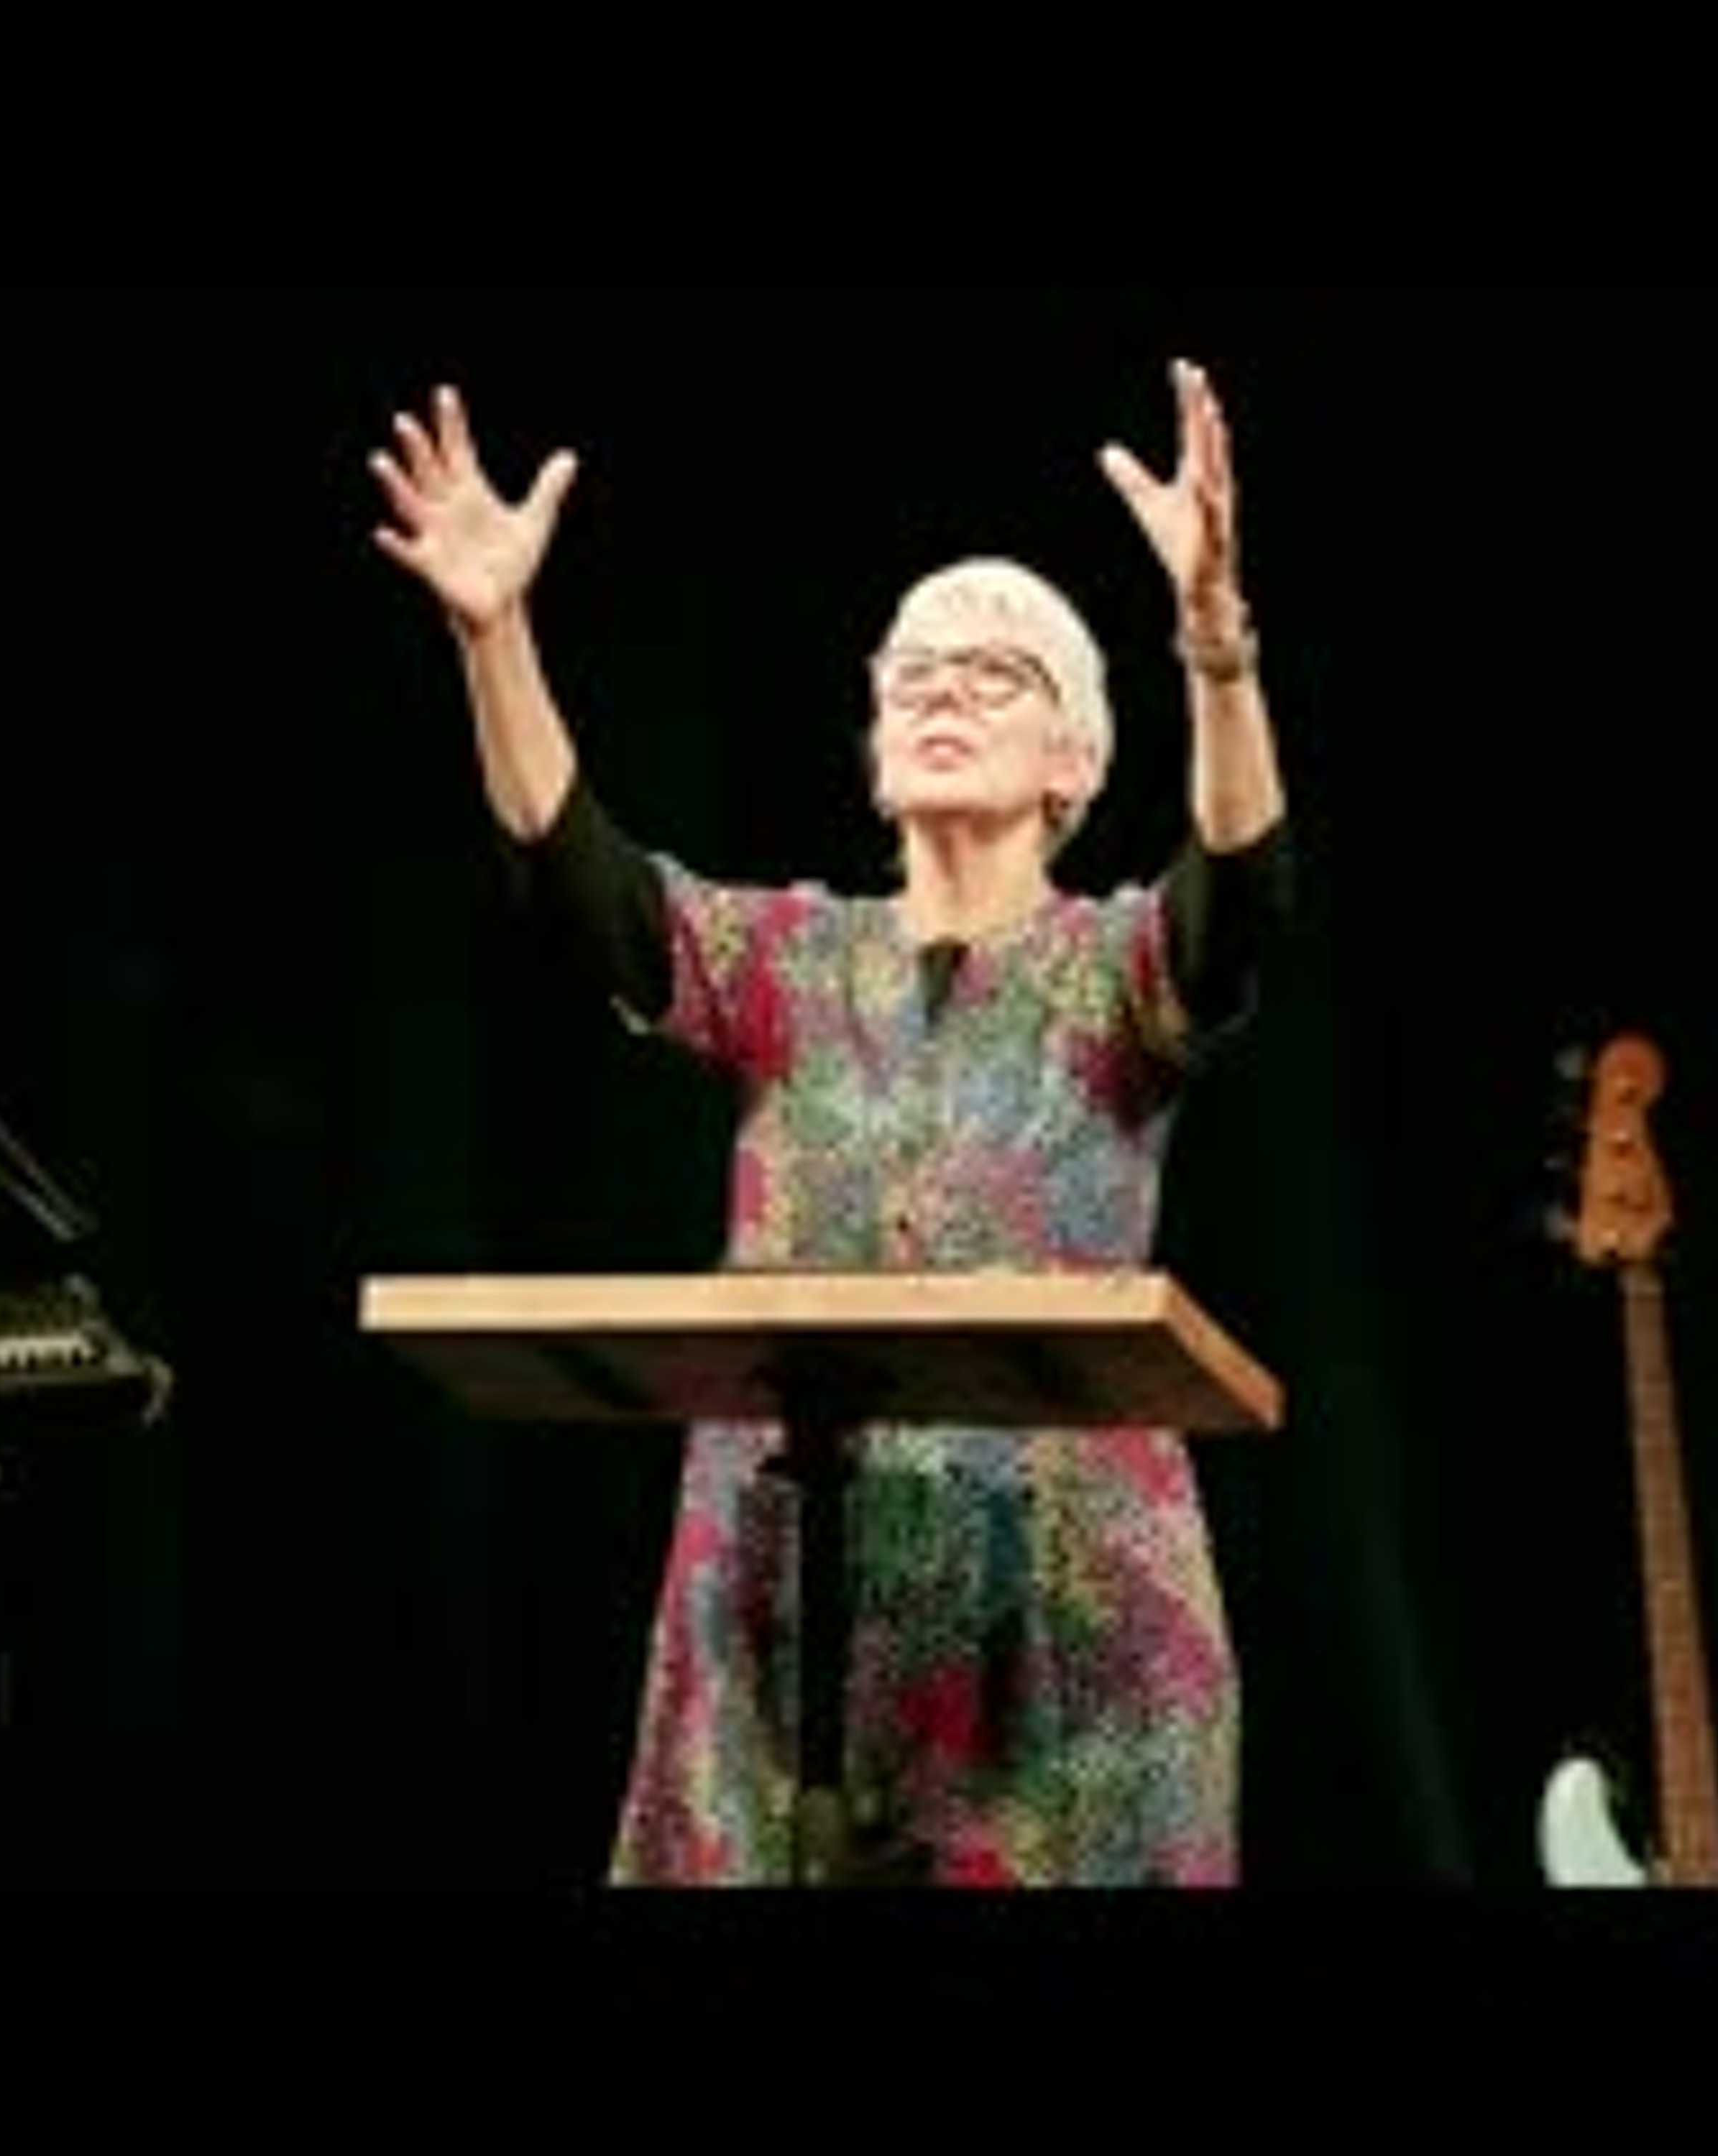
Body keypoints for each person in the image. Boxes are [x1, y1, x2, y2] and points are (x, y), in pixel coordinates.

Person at [369, 357, 1292, 1886]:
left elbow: (1241, 898)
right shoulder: (787, 961)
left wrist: (1215, 647)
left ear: (1076, 760)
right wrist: (494, 636)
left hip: (1060, 1628)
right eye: (911, 672)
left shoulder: (1116, 968)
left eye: (996, 673)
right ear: (871, 749)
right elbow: (581, 882)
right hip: (787, 1607)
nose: (941, 691)